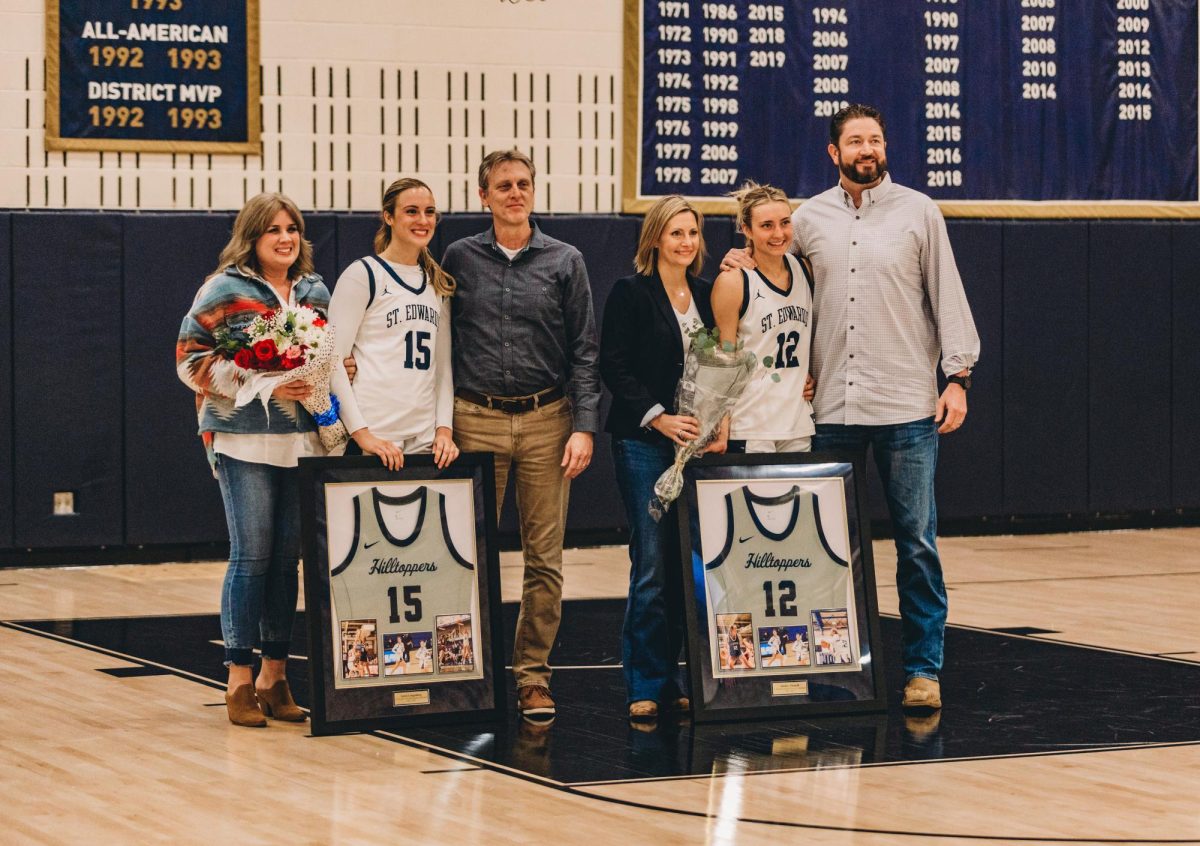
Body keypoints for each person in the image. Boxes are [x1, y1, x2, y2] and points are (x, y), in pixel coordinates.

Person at [724, 104, 980, 710]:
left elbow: (948, 294)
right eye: (855, 141)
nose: (868, 148)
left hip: (907, 405)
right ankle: (826, 664)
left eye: (876, 138)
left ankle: (923, 670)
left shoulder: (919, 211)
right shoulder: (807, 218)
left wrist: (958, 377)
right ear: (833, 154)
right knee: (823, 545)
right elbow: (772, 267)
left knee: (917, 542)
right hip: (832, 406)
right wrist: (738, 260)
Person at [442, 148, 601, 723]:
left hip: (547, 422)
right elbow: (430, 335)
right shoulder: (458, 256)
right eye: (503, 185)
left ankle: (533, 677)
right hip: (474, 419)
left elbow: (585, 350)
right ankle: (465, 671)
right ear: (483, 195)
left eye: (524, 183)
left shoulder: (566, 261)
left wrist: (584, 426)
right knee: (467, 556)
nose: (515, 192)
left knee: (544, 560)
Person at [176, 192, 327, 727]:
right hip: (241, 441)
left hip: (302, 443)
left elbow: (332, 360)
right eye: (273, 230)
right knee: (253, 557)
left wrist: (336, 376)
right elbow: (189, 360)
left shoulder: (314, 291)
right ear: (252, 237)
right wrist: (264, 384)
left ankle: (274, 676)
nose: (286, 238)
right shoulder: (223, 289)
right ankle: (238, 679)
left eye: (293, 228)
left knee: (288, 563)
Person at [599, 194, 722, 721]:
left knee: (689, 569)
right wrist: (658, 417)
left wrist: (719, 423)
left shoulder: (709, 293)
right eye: (676, 233)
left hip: (698, 450)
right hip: (645, 445)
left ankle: (680, 675)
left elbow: (725, 365)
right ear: (654, 239)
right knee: (651, 566)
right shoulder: (630, 294)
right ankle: (645, 682)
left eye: (692, 233)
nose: (686, 242)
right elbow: (614, 367)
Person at [329, 178, 460, 471]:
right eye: (411, 211)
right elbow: (332, 362)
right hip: (375, 436)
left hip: (424, 440)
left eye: (429, 212)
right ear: (389, 217)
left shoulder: (437, 284)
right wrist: (361, 433)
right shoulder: (363, 274)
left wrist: (444, 430)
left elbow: (443, 369)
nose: (423, 220)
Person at [711, 182, 816, 453]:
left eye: (785, 223)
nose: (778, 233)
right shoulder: (733, 281)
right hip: (751, 424)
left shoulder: (805, 270)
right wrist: (720, 428)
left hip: (797, 423)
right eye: (766, 225)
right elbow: (725, 359)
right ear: (747, 229)